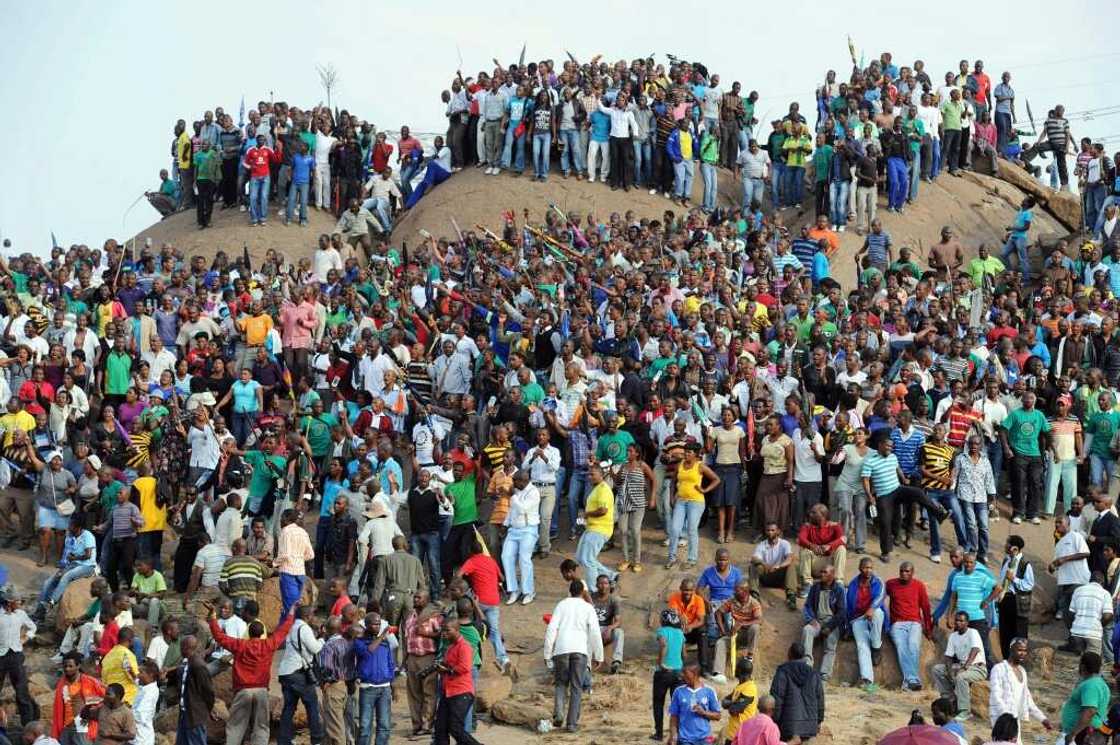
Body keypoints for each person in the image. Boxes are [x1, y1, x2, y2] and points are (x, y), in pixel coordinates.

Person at [208, 602, 295, 745]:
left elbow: (219, 636)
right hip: (261, 690)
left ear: (249, 632)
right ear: (262, 633)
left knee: (236, 726)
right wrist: (291, 612)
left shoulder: (240, 645)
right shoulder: (268, 644)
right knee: (261, 726)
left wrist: (212, 616)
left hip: (243, 690)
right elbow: (283, 630)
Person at [544, 579, 603, 732]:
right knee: (576, 687)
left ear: (570, 591)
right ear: (583, 592)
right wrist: (599, 655)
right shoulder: (588, 608)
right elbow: (595, 633)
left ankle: (558, 714)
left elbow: (552, 629)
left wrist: (547, 653)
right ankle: (571, 724)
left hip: (561, 650)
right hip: (580, 650)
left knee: (560, 684)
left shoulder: (561, 605)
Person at [668, 443, 721, 569]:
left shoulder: (700, 466)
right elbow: (673, 481)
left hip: (696, 502)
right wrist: (671, 496)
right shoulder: (679, 465)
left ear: (696, 454)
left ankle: (691, 559)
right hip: (681, 501)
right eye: (685, 451)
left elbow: (716, 479)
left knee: (692, 530)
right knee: (675, 529)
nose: (686, 454)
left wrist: (705, 490)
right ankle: (671, 558)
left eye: (689, 452)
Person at [431, 618, 483, 745]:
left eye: (447, 630)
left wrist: (447, 670)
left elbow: (464, 667)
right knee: (440, 728)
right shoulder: (450, 648)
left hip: (461, 692)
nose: (444, 633)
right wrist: (441, 669)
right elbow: (449, 666)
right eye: (443, 631)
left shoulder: (464, 646)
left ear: (457, 630)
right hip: (448, 691)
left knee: (455, 728)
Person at [988, 637, 1052, 736]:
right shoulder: (999, 669)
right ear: (1011, 649)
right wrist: (1008, 718)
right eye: (1019, 650)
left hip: (1014, 723)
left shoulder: (1022, 671)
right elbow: (996, 697)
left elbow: (1027, 699)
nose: (1022, 653)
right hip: (1001, 722)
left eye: (1025, 651)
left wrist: (1043, 719)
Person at [885, 561, 933, 691]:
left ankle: (909, 681)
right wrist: (885, 622)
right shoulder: (891, 584)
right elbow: (880, 598)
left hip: (914, 623)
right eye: (901, 571)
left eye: (907, 571)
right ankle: (913, 679)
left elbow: (926, 607)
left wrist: (929, 629)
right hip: (897, 623)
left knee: (913, 645)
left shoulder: (919, 585)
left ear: (912, 572)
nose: (904, 574)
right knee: (901, 646)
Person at [933, 611, 988, 723]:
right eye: (957, 620)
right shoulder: (953, 636)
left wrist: (965, 667)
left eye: (961, 621)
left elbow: (975, 649)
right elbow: (948, 656)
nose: (958, 623)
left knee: (961, 676)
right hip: (960, 666)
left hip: (977, 667)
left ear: (967, 623)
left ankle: (965, 711)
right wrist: (950, 672)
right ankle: (950, 701)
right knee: (937, 669)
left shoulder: (973, 632)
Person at [402, 590, 442, 736]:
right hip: (412, 658)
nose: (416, 599)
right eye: (415, 597)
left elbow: (442, 635)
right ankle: (416, 725)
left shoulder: (434, 617)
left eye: (419, 597)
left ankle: (427, 725)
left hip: (428, 657)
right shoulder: (409, 617)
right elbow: (406, 639)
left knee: (429, 692)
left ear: (427, 600)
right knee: (414, 693)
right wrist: (404, 660)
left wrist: (426, 633)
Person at [353, 611, 396, 745]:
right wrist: (383, 636)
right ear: (366, 625)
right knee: (365, 726)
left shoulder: (385, 644)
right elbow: (368, 651)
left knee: (384, 726)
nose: (377, 627)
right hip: (368, 688)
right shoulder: (360, 642)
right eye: (374, 624)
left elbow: (390, 664)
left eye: (379, 624)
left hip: (384, 688)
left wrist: (393, 687)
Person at [769, 643, 824, 743]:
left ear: (789, 654)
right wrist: (818, 721)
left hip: (787, 728)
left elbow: (777, 698)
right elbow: (820, 700)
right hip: (809, 727)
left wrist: (775, 721)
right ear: (803, 656)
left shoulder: (782, 672)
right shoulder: (814, 674)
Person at [791, 504, 847, 600]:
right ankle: (807, 584)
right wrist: (812, 546)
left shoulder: (835, 526)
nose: (810, 514)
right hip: (814, 564)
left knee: (841, 549)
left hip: (829, 564)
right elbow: (800, 539)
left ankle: (838, 582)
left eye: (814, 513)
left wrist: (829, 546)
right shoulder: (807, 526)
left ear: (823, 515)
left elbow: (843, 539)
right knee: (804, 550)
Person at [799, 565, 845, 681]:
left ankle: (824, 674)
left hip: (832, 623)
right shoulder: (815, 587)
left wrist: (829, 627)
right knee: (807, 630)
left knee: (830, 646)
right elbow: (808, 606)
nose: (822, 574)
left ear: (832, 575)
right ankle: (807, 666)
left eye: (825, 572)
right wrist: (811, 620)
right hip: (817, 621)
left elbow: (841, 612)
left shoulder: (839, 589)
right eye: (821, 572)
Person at [846, 557, 885, 693]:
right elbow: (849, 606)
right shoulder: (853, 584)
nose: (868, 570)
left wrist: (872, 608)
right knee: (862, 646)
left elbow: (881, 596)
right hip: (858, 618)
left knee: (878, 613)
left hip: (873, 613)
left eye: (870, 568)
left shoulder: (878, 581)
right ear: (860, 569)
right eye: (865, 568)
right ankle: (867, 680)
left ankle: (876, 647)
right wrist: (847, 625)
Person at [0, 592, 39, 727]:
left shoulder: (20, 614)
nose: (20, 603)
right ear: (9, 602)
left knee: (21, 691)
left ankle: (28, 725)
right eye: (18, 601)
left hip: (16, 655)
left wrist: (26, 638)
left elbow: (33, 627)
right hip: (0, 656)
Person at [52, 651, 106, 745]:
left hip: (83, 728)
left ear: (78, 666)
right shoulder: (61, 684)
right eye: (65, 666)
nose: (67, 669)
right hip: (65, 727)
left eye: (70, 666)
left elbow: (106, 699)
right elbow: (58, 709)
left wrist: (91, 712)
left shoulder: (90, 682)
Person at [502, 470, 539, 606]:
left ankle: (529, 591)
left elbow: (522, 509)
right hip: (513, 530)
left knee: (524, 559)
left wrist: (512, 496)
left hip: (528, 529)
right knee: (506, 557)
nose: (514, 483)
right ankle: (514, 590)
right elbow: (512, 510)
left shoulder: (534, 492)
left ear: (525, 480)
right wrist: (505, 524)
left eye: (516, 481)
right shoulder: (517, 491)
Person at [995, 535, 1034, 659]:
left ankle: (1019, 661)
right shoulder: (1006, 561)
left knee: (1018, 634)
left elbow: (1029, 585)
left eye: (1008, 543)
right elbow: (1002, 580)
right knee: (1005, 634)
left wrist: (1014, 579)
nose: (1005, 545)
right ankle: (1006, 659)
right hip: (1005, 600)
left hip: (1017, 602)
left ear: (1015, 548)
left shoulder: (1024, 564)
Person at [1058, 652, 1110, 744]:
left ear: (1082, 666)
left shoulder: (1091, 685)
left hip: (1083, 734)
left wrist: (1073, 734)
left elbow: (1090, 711)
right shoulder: (1099, 683)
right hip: (1085, 732)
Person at [668, 578, 713, 676]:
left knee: (703, 632)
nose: (687, 593)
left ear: (693, 590)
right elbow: (673, 616)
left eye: (690, 590)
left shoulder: (698, 599)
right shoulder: (674, 598)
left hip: (693, 631)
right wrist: (680, 618)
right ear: (680, 589)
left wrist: (691, 626)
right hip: (680, 629)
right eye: (685, 590)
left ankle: (704, 668)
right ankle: (676, 667)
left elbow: (701, 620)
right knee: (674, 630)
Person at [668, 663, 720, 745]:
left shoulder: (709, 691)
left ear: (695, 674)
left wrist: (704, 712)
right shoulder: (678, 691)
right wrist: (673, 736)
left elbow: (718, 716)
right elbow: (674, 716)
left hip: (704, 739)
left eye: (685, 673)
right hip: (685, 740)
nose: (682, 675)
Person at [1051, 516, 1091, 624]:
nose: (1057, 524)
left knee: (1079, 614)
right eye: (1056, 522)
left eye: (1060, 522)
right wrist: (1052, 566)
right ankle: (1072, 639)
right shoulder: (1058, 544)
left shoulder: (1075, 536)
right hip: (1065, 583)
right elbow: (1056, 563)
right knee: (1068, 616)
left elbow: (1086, 553)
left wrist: (1065, 559)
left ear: (1068, 524)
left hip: (1078, 581)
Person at [1063, 572, 1114, 656]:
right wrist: (1099, 625)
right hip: (1093, 634)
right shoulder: (1105, 594)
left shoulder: (1078, 590)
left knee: (1082, 661)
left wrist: (1076, 625)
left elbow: (1071, 613)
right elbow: (1107, 616)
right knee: (1092, 662)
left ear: (1089, 580)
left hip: (1077, 633)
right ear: (1102, 582)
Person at [590, 574, 625, 674]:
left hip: (605, 630)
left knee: (619, 632)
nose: (603, 586)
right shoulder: (591, 597)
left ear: (609, 585)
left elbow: (618, 621)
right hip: (592, 629)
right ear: (596, 585)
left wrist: (610, 628)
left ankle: (616, 661)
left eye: (605, 583)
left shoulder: (613, 600)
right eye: (600, 583)